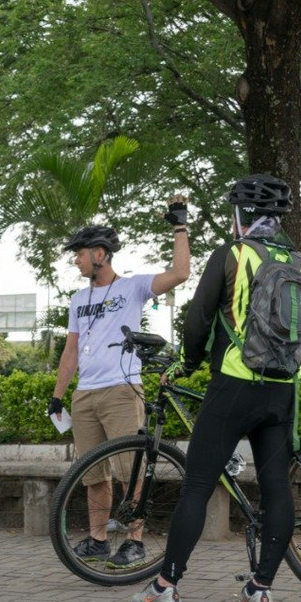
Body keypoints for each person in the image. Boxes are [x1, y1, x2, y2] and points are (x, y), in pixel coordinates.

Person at [130, 173, 301, 602]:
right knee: (276, 490)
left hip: (234, 386)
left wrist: (189, 362)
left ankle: (165, 587)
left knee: (196, 486)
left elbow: (197, 320)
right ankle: (260, 591)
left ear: (242, 214)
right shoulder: (300, 263)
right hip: (281, 392)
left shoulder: (232, 254)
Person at [48, 200, 191, 569]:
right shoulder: (79, 299)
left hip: (121, 390)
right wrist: (58, 395)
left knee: (130, 469)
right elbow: (71, 349)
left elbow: (179, 273)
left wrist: (179, 228)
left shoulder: (133, 288)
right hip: (85, 395)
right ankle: (98, 541)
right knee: (93, 473)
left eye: (79, 254)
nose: (76, 261)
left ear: (99, 254)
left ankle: (134, 540)